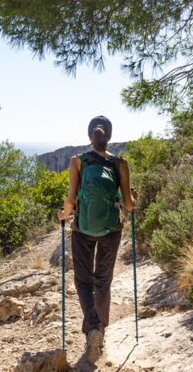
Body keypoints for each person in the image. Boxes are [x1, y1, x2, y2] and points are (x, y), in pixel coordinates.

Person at [57, 115, 136, 364]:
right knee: (103, 281)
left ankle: (91, 329)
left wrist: (62, 215)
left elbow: (70, 202)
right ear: (109, 136)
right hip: (111, 229)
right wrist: (133, 197)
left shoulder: (77, 161)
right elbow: (129, 206)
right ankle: (99, 331)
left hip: (82, 229)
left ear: (89, 135)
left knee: (83, 281)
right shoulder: (119, 163)